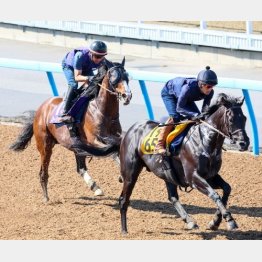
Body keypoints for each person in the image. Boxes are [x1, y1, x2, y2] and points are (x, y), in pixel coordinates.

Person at [154, 66, 218, 154]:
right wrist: (194, 115)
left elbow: (204, 110)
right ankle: (159, 145)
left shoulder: (210, 92)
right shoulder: (187, 88)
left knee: (199, 119)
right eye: (208, 86)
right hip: (169, 93)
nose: (210, 89)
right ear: (201, 84)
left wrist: (203, 116)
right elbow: (179, 108)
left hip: (185, 98)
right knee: (175, 116)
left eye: (213, 86)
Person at [59, 40, 108, 122]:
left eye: (101, 57)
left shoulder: (102, 59)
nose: (99, 59)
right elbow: (77, 77)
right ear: (91, 53)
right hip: (70, 66)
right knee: (74, 84)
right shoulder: (80, 56)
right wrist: (88, 78)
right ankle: (65, 112)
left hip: (86, 66)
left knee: (93, 84)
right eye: (96, 56)